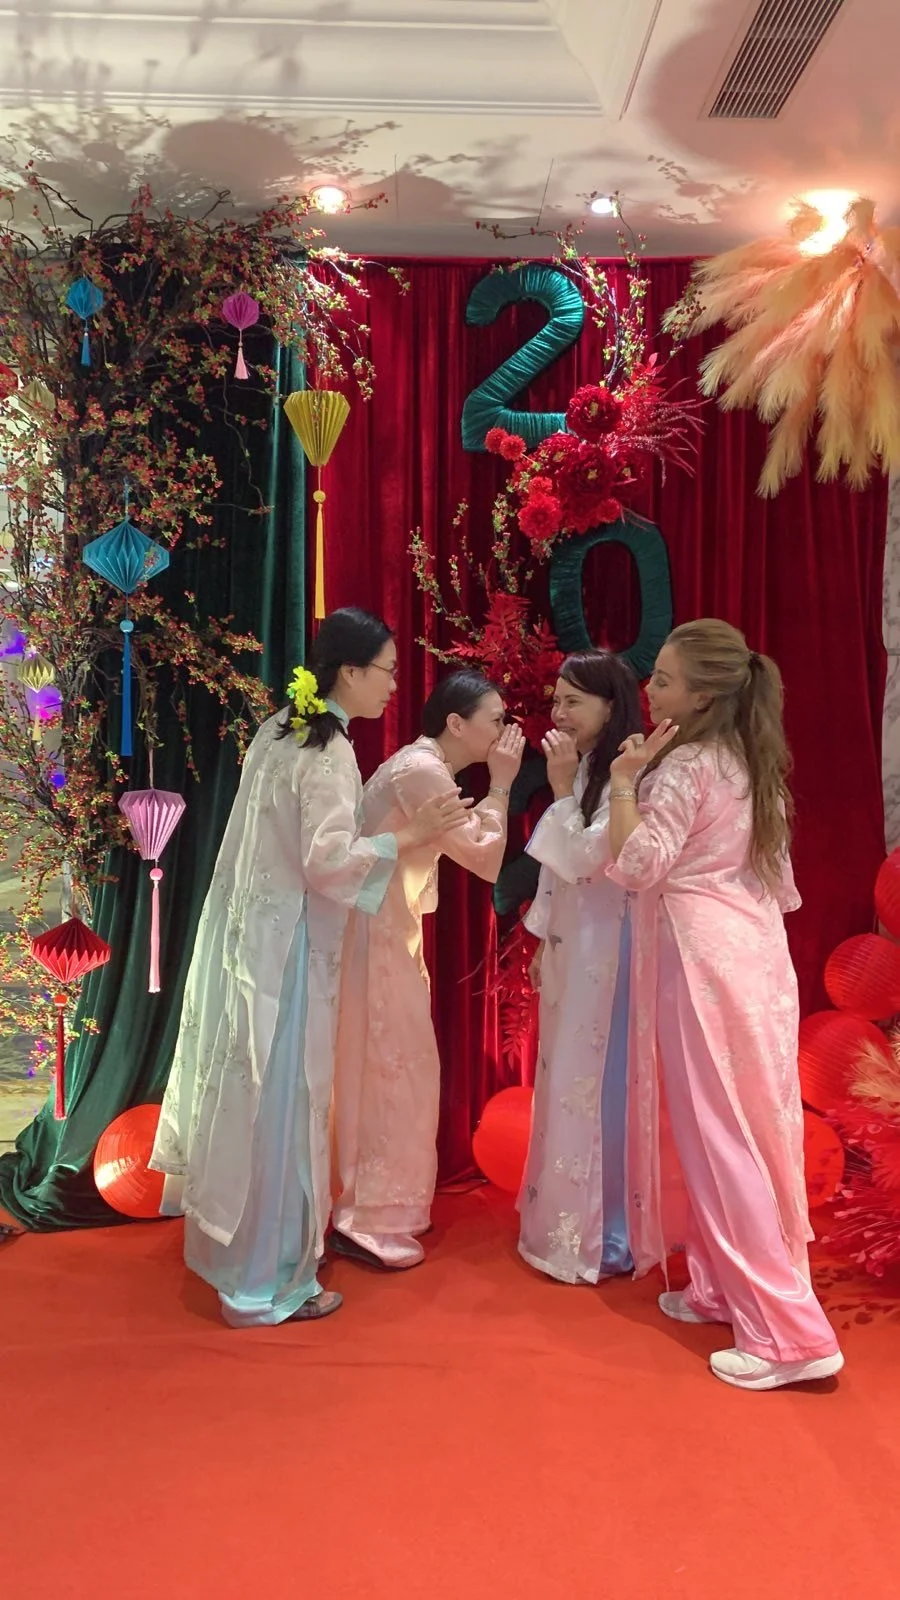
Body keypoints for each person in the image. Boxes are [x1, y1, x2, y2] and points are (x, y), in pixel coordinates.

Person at [149, 608, 471, 1327]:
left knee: (254, 1100)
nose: (394, 686)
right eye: (386, 671)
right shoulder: (327, 750)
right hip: (290, 948)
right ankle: (266, 1284)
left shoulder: (280, 729)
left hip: (253, 940)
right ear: (350, 672)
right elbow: (327, 863)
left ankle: (241, 1261)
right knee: (284, 1108)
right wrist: (408, 836)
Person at [606, 618, 843, 1391]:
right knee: (747, 1132)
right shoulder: (749, 761)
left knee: (722, 1140)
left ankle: (787, 1334)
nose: (650, 689)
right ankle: (720, 1289)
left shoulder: (685, 766)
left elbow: (638, 864)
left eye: (665, 680)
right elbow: (778, 883)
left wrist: (622, 783)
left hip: (703, 961)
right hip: (756, 960)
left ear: (703, 695)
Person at [331, 669, 525, 1269]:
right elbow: (485, 857)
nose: (504, 729)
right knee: (393, 1067)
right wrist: (502, 785)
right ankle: (370, 1217)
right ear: (456, 723)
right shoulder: (421, 771)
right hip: (376, 931)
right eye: (495, 719)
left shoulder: (422, 766)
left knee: (391, 1064)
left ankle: (372, 1207)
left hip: (385, 927)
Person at [518, 650, 643, 1285]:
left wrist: (564, 788)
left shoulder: (630, 772)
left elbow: (589, 857)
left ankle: (608, 1230)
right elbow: (555, 870)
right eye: (556, 701)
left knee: (599, 1083)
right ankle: (566, 1220)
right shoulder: (588, 768)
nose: (559, 713)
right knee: (564, 1073)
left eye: (572, 701)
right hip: (576, 943)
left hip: (610, 945)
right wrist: (544, 938)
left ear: (609, 704)